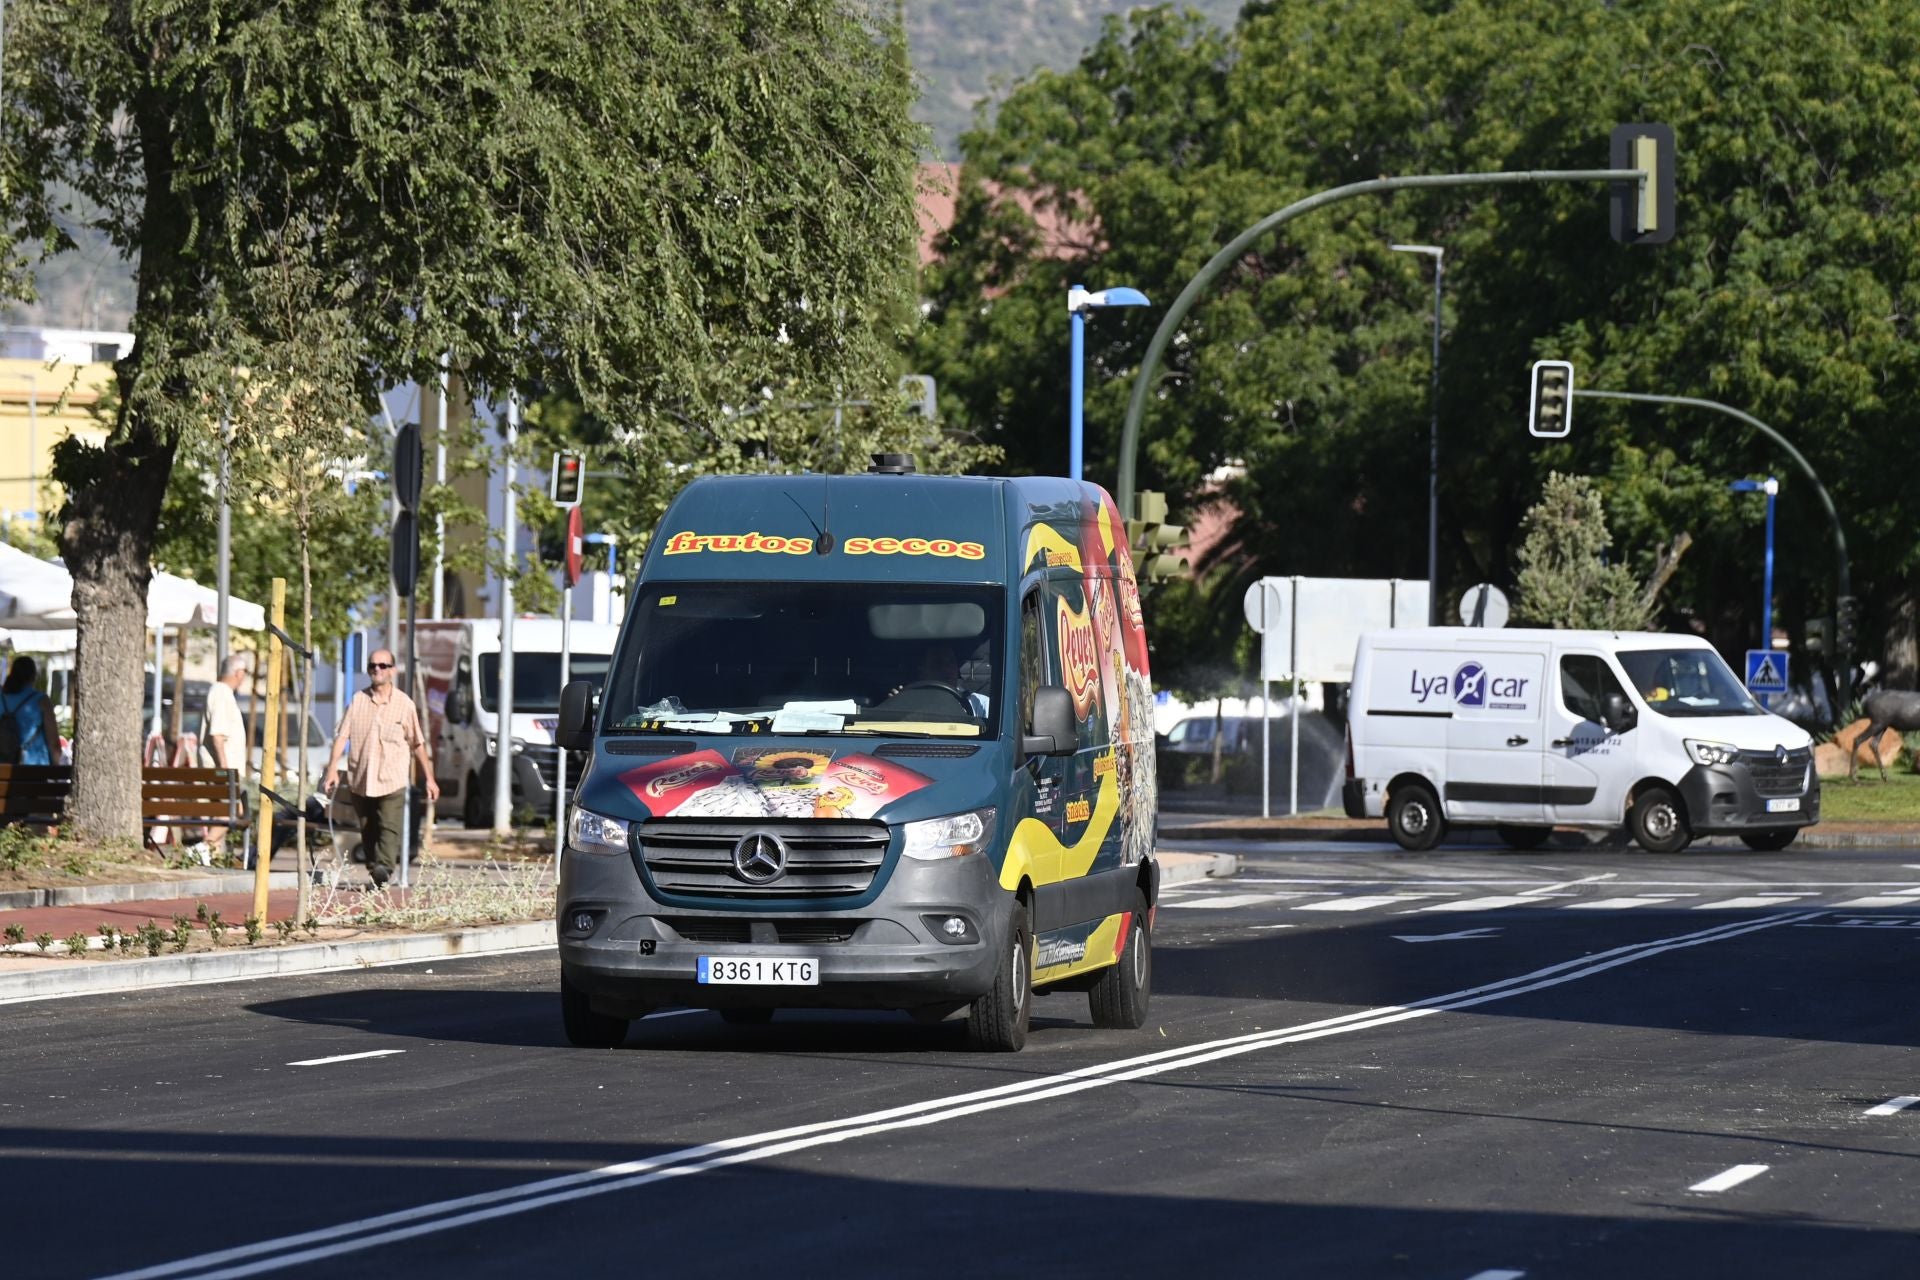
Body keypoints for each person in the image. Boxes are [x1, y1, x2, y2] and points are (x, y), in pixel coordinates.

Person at [321, 649, 438, 887]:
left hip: (392, 777)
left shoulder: (404, 704)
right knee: (368, 828)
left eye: (383, 666)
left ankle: (385, 866)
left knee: (389, 825)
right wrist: (332, 769)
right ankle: (376, 870)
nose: (377, 669)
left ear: (393, 670)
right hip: (361, 777)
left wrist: (430, 778)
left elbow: (417, 743)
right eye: (373, 666)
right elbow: (342, 737)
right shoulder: (357, 700)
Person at [196, 654, 251, 857]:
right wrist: (225, 769)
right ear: (238, 673)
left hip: (220, 769)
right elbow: (217, 735)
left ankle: (213, 854)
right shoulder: (221, 693)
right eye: (244, 673)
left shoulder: (221, 692)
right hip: (222, 770)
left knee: (222, 813)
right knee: (233, 812)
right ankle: (205, 847)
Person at [0, 655, 57, 765]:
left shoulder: (1, 697)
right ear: (33, 676)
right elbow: (54, 744)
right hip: (35, 773)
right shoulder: (41, 701)